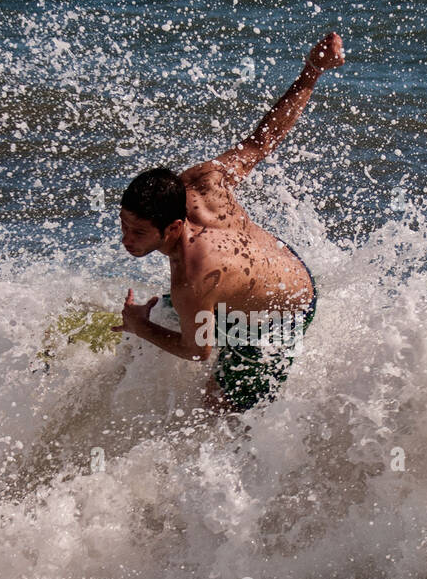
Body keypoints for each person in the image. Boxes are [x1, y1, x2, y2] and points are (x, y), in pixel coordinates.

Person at [118, 32, 345, 411]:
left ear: (173, 227)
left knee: (217, 410)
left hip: (279, 317)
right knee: (171, 313)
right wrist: (312, 71)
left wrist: (142, 327)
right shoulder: (201, 183)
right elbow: (262, 140)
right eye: (124, 225)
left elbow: (197, 351)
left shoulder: (192, 278)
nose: (126, 240)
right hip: (268, 269)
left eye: (139, 232)